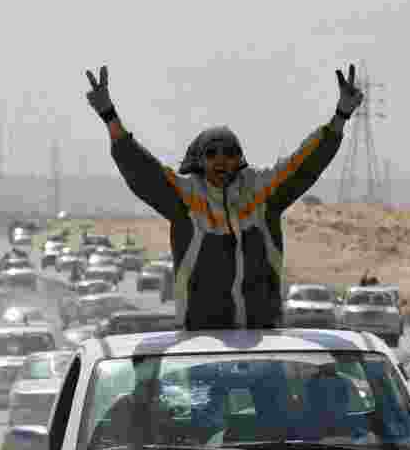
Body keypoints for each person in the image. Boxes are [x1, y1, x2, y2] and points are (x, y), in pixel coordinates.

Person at [84, 64, 363, 331]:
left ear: (239, 159)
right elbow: (142, 170)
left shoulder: (262, 192)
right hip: (200, 341)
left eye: (229, 153)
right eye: (212, 153)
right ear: (199, 159)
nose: (221, 160)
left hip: (264, 336)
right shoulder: (185, 197)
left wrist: (341, 116)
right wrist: (109, 115)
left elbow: (306, 163)